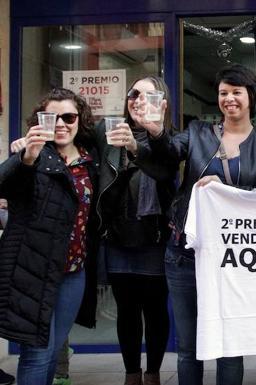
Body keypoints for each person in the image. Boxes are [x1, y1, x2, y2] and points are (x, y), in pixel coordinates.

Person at [129, 64, 256, 385]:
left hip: (233, 259)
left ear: (251, 98)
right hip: (184, 253)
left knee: (230, 345)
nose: (229, 99)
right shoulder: (198, 132)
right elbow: (169, 153)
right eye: (223, 93)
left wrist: (225, 189)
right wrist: (155, 131)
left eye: (236, 92)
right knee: (189, 346)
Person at [0, 88, 99, 385]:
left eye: (68, 117)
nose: (61, 124)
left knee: (55, 349)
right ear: (38, 122)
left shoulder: (88, 161)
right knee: (38, 353)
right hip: (33, 271)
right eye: (51, 117)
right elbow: (5, 185)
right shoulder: (32, 154)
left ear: (79, 120)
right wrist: (25, 157)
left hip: (73, 273)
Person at [96, 76, 177, 385]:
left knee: (156, 309)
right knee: (126, 310)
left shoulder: (168, 140)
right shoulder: (108, 133)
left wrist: (134, 146)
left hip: (155, 238)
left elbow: (163, 170)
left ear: (162, 103)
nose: (138, 100)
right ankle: (132, 374)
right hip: (118, 236)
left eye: (148, 95)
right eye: (133, 94)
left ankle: (154, 372)